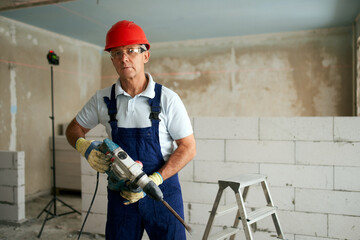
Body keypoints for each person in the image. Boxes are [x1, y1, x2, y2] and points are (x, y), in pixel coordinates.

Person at [65, 20, 196, 240]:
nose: (124, 58)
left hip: (161, 192)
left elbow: (188, 148)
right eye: (116, 53)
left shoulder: (167, 99)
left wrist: (154, 181)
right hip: (121, 195)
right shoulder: (103, 100)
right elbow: (73, 128)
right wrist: (84, 147)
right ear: (112, 59)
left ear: (145, 55)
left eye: (131, 51)